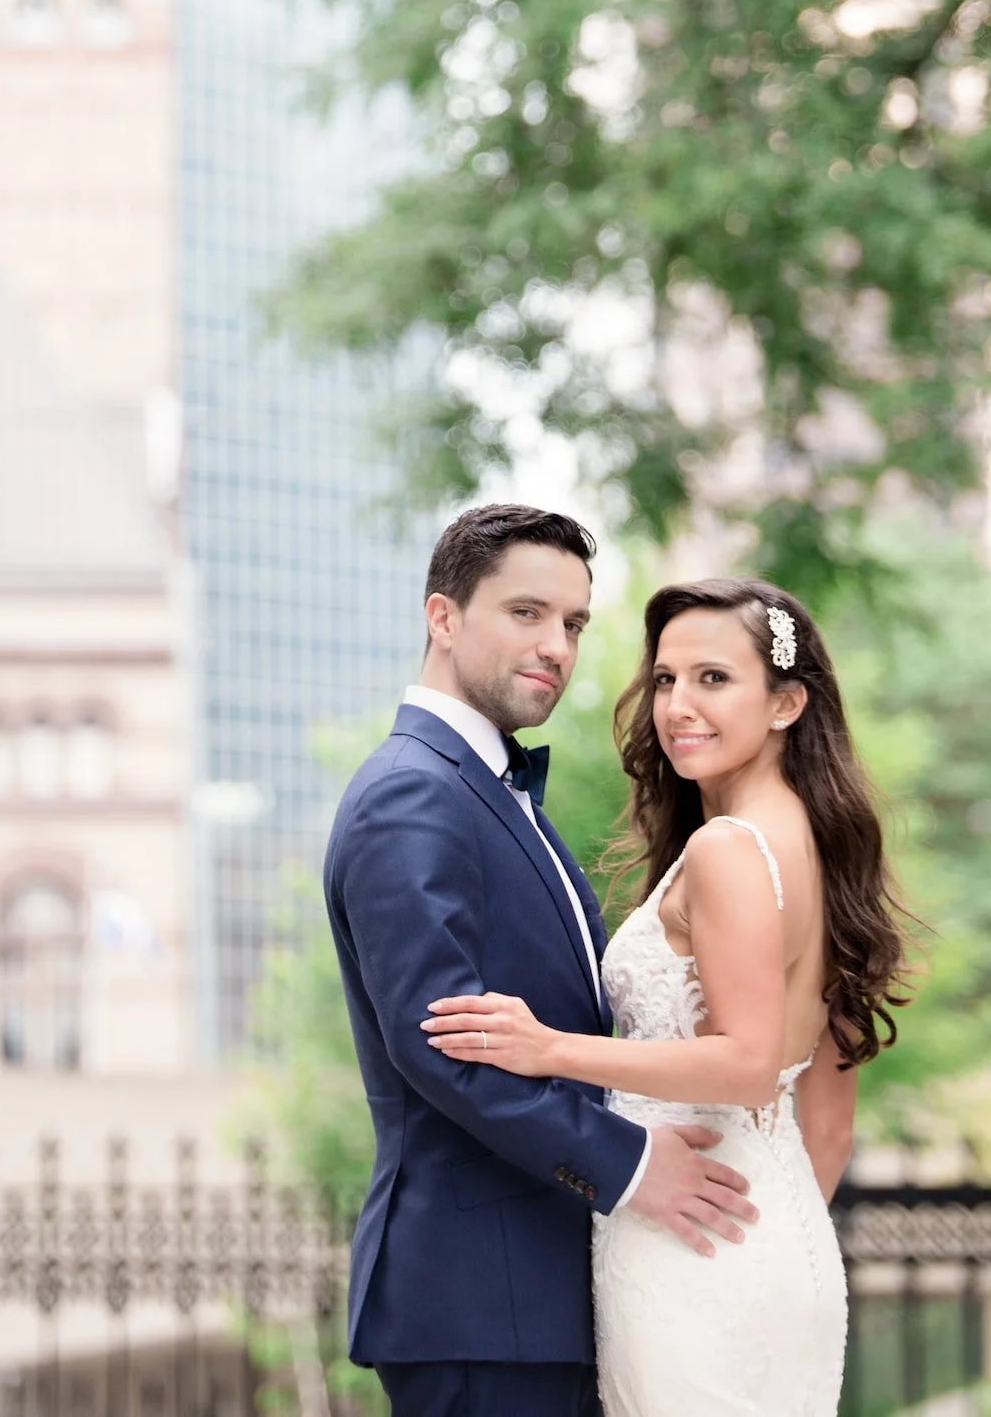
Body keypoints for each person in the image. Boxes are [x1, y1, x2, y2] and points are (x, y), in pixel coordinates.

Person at [422, 578, 912, 1417]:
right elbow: (824, 1122)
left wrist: (550, 1049)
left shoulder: (729, 850)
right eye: (665, 679)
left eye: (714, 679)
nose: (679, 705)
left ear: (787, 703)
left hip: (693, 1248)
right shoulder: (817, 851)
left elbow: (751, 1062)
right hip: (777, 1237)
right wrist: (761, 1249)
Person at [324, 509, 760, 1417]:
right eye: (527, 613)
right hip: (478, 1297)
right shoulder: (413, 792)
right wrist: (633, 1165)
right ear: (442, 618)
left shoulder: (488, 788)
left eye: (572, 623)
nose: (556, 646)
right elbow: (443, 1045)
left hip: (544, 1293)